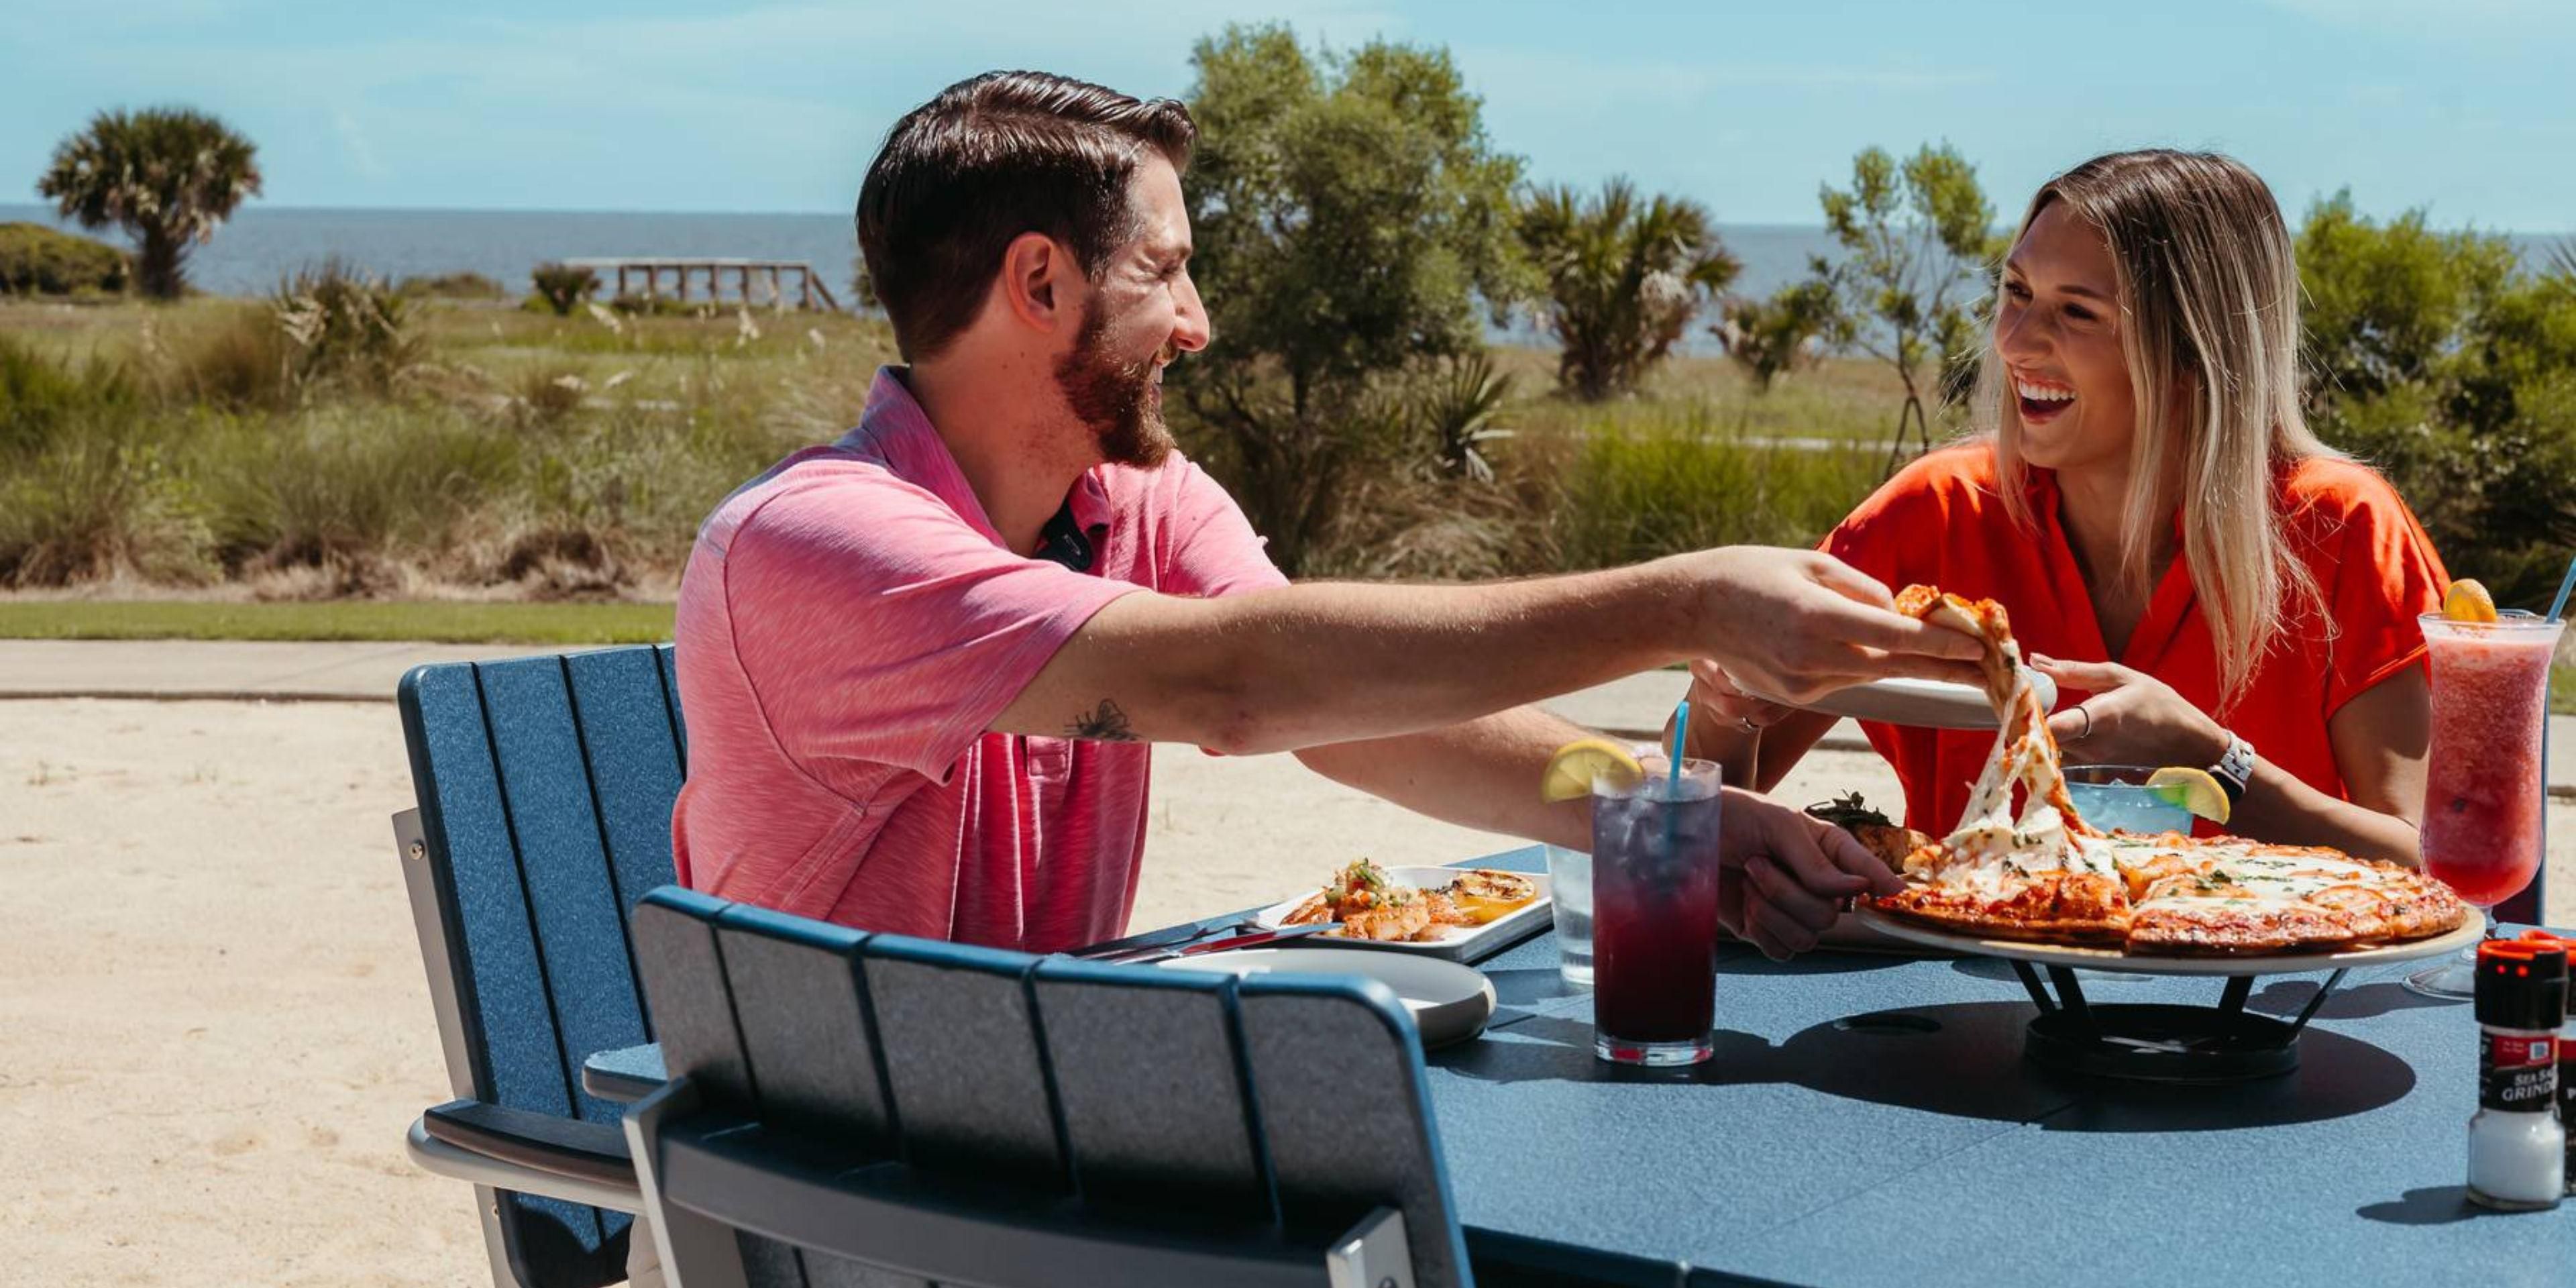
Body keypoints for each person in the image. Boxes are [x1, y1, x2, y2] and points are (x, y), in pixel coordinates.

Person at [668, 69, 1988, 965]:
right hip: (827, 1177)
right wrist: (1682, 605)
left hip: (1026, 1115)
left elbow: (1356, 717)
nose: (1198, 324)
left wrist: (1682, 822)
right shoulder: (814, 545)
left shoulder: (1133, 501)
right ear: (1041, 282)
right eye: (1168, 273)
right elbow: (1239, 684)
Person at [1684, 149, 2445, 865]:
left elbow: (2428, 864)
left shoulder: (2344, 527)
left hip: (2266, 994)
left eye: (2077, 312)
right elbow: (1698, 814)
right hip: (1974, 991)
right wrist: (1729, 712)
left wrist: (2215, 764)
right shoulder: (1932, 513)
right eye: (2015, 293)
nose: (2015, 341)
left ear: (2194, 352)